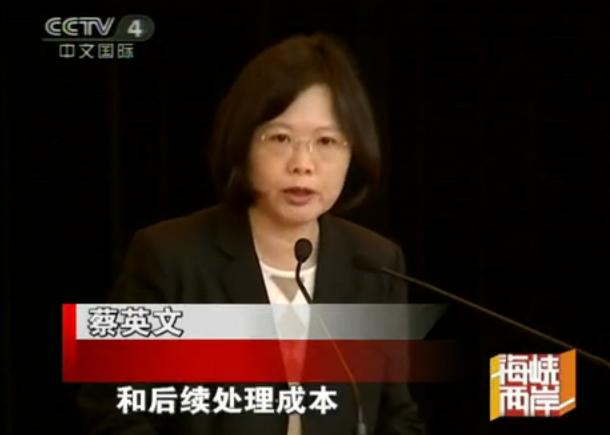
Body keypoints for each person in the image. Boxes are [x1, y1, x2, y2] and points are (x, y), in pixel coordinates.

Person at [79, 33, 425, 435]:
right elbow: (110, 410)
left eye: (327, 141)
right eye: (280, 138)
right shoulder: (163, 255)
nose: (303, 163)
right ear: (243, 143)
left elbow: (398, 416)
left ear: (354, 151)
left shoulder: (377, 264)